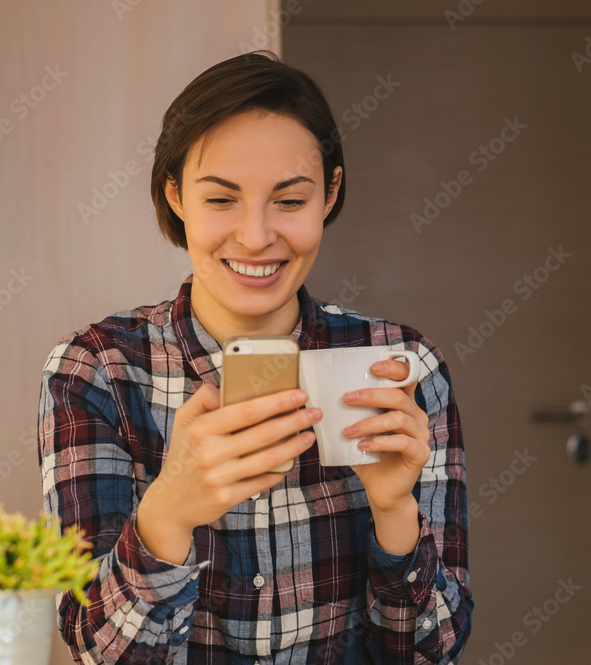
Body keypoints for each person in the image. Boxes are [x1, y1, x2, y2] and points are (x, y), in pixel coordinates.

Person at [37, 50, 472, 664]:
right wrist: (167, 515)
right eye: (222, 200)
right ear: (175, 194)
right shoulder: (98, 370)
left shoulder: (401, 367)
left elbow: (432, 651)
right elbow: (98, 654)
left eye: (289, 201)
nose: (256, 235)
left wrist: (394, 512)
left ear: (330, 193)